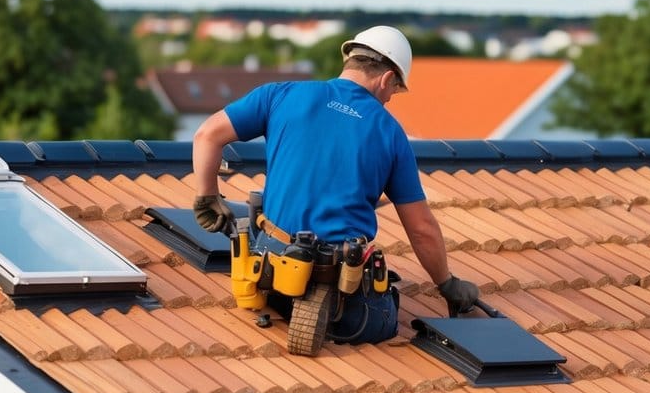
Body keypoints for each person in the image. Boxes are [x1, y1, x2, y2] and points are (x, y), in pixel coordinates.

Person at [190, 25, 480, 343]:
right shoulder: (390, 133)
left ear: (349, 60)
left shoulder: (280, 94)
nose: (389, 99)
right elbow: (421, 228)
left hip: (267, 279)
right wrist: (447, 283)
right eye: (394, 90)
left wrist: (207, 196)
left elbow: (207, 135)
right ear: (387, 79)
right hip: (342, 306)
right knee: (389, 315)